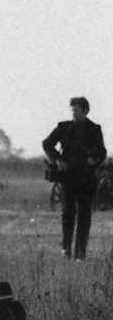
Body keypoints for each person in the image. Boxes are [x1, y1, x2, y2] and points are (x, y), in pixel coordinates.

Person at [43, 97, 107, 260]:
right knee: (68, 214)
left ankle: (80, 253)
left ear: (85, 111)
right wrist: (58, 160)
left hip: (86, 178)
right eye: (72, 110)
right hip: (68, 178)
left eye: (77, 110)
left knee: (84, 216)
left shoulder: (94, 129)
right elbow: (47, 143)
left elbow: (102, 151)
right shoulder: (63, 127)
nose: (74, 113)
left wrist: (94, 159)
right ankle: (66, 248)